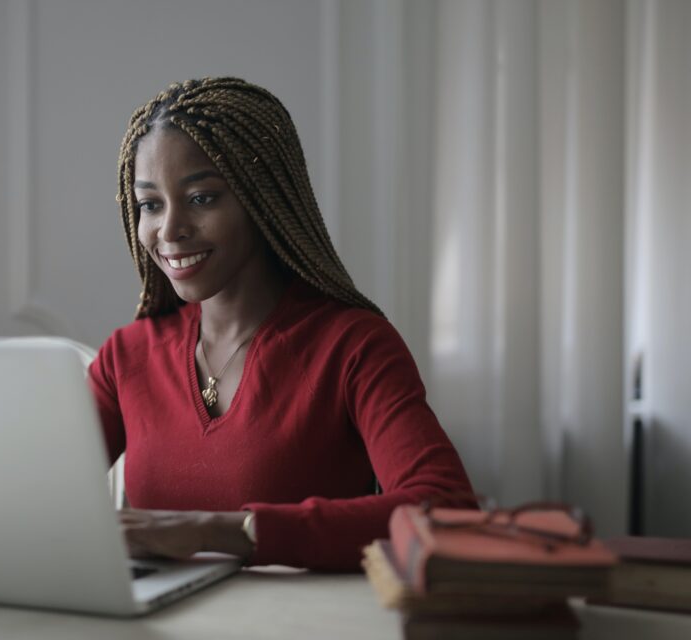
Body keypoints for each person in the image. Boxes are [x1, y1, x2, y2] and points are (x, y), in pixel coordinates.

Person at [88, 77, 473, 571]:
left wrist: (219, 531)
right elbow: (32, 498)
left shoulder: (353, 346)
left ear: (262, 197)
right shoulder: (127, 356)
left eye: (202, 198)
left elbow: (447, 508)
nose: (169, 229)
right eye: (150, 204)